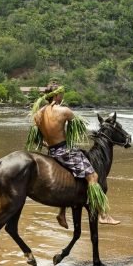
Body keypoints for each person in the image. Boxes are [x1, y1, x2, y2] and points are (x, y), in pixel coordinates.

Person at [33, 82, 121, 228]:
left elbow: (39, 139)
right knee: (93, 176)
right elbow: (77, 127)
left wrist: (50, 144)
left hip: (52, 151)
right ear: (56, 95)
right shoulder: (64, 111)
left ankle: (61, 214)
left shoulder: (38, 114)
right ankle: (103, 215)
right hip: (65, 152)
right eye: (61, 94)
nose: (63, 96)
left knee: (71, 178)